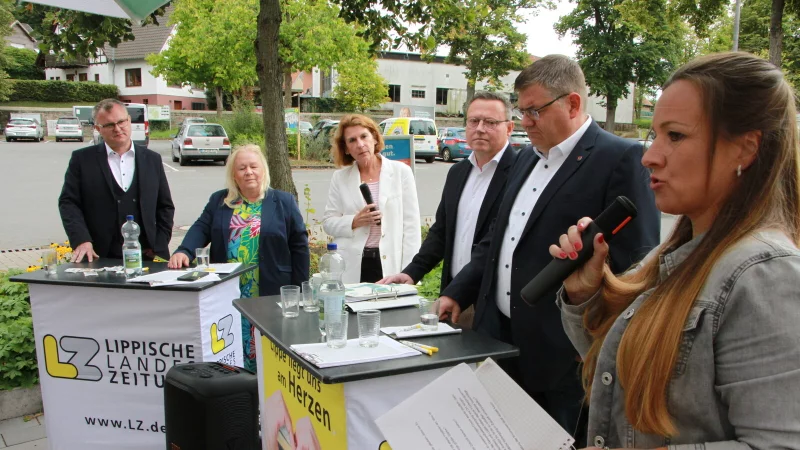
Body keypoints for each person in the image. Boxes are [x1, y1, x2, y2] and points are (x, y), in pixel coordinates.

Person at [552, 52, 800, 449]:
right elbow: (616, 373)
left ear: (745, 149)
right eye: (654, 135)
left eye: (676, 136)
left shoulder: (765, 274)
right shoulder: (674, 254)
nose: (649, 157)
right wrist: (586, 295)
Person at [437, 54, 661, 444]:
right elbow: (498, 240)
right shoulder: (526, 157)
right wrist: (459, 290)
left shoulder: (618, 158)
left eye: (534, 111)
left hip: (561, 352)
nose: (525, 122)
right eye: (521, 111)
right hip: (497, 337)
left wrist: (595, 336)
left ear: (572, 104)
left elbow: (635, 262)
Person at [379, 92, 520, 327]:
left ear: (509, 127)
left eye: (490, 122)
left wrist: (456, 293)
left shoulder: (520, 174)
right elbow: (442, 230)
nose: (480, 129)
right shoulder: (458, 172)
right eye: (474, 121)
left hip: (493, 305)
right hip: (454, 298)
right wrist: (412, 272)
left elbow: (494, 244)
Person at [168, 144, 309, 372]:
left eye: (253, 166)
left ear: (263, 170)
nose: (248, 172)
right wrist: (184, 250)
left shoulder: (283, 201)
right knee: (233, 348)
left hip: (270, 290)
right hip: (230, 292)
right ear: (234, 174)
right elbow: (201, 228)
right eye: (242, 168)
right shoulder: (220, 201)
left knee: (270, 351)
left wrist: (301, 291)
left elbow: (300, 247)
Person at [59, 98, 174, 262]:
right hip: (98, 255)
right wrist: (81, 240)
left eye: (121, 122)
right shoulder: (82, 160)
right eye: (109, 125)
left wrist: (159, 244)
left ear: (129, 120)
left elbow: (165, 207)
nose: (118, 129)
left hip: (148, 255)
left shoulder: (152, 159)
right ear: (98, 128)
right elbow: (68, 203)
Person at [322, 114, 421, 283]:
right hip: (353, 265)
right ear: (346, 148)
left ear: (374, 138)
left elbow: (411, 227)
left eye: (364, 136)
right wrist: (354, 221)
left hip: (389, 264)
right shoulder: (340, 178)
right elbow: (328, 223)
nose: (360, 144)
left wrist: (411, 272)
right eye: (352, 140)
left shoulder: (401, 172)